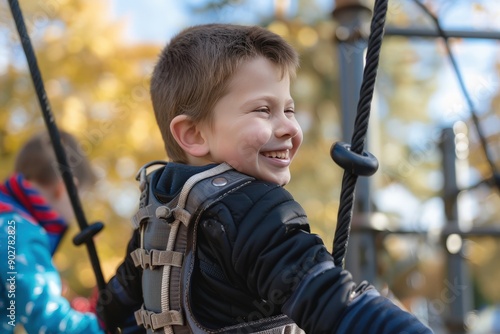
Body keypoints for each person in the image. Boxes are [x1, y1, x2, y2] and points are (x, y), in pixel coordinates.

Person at [99, 24, 433, 333]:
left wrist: (99, 317)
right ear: (194, 134)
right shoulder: (258, 209)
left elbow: (120, 298)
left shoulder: (157, 204)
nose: (290, 126)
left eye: (289, 109)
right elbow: (331, 301)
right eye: (263, 110)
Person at [0, 131, 104, 333]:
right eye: (81, 199)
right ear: (65, 189)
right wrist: (106, 327)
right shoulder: (20, 233)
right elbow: (49, 323)